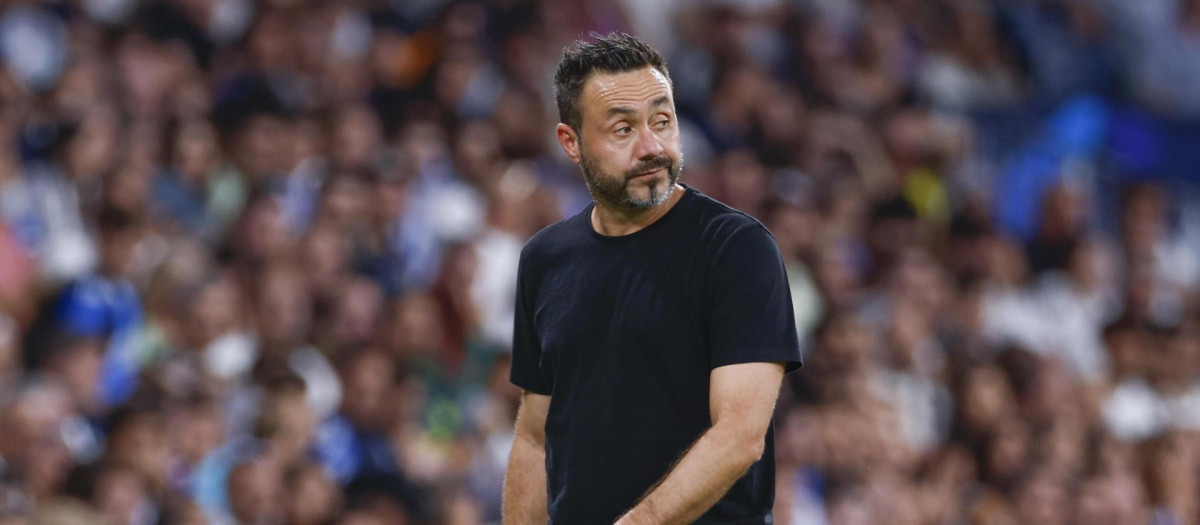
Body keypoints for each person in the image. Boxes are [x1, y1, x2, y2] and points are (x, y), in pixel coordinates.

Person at [502, 33, 803, 524]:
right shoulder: (544, 259)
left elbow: (740, 436)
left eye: (662, 122)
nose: (652, 147)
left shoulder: (736, 248)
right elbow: (535, 439)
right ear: (571, 142)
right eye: (623, 129)